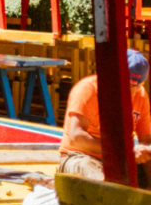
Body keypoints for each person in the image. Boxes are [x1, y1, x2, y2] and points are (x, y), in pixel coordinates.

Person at [58, 48, 151, 186]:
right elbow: (76, 138)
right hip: (80, 157)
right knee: (105, 183)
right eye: (123, 84)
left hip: (119, 159)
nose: (130, 91)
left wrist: (145, 152)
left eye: (133, 87)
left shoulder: (141, 96)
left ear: (141, 84)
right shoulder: (88, 88)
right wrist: (124, 151)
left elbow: (146, 140)